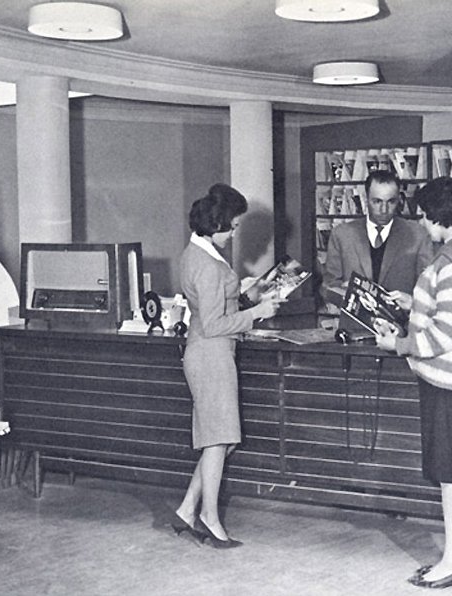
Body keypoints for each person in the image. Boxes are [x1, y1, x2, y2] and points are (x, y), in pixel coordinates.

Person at [373, 176, 452, 589]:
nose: (422, 224)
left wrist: (398, 343)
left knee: (451, 475)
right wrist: (414, 302)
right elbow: (448, 313)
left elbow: (446, 335)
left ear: (440, 217)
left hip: (449, 384)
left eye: (424, 217)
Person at [172, 184, 282, 549]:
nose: (235, 233)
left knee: (220, 439)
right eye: (233, 226)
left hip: (209, 353)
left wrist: (245, 293)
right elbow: (214, 323)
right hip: (211, 354)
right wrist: (257, 312)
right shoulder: (206, 264)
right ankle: (209, 517)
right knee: (220, 439)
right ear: (217, 224)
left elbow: (214, 306)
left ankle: (188, 509)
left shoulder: (198, 252)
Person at [322, 170, 433, 302]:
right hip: (354, 320)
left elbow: (429, 290)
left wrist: (410, 302)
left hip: (402, 320)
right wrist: (346, 295)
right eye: (377, 202)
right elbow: (328, 287)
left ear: (399, 200)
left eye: (391, 202)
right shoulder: (342, 234)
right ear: (366, 199)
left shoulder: (418, 235)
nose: (384, 210)